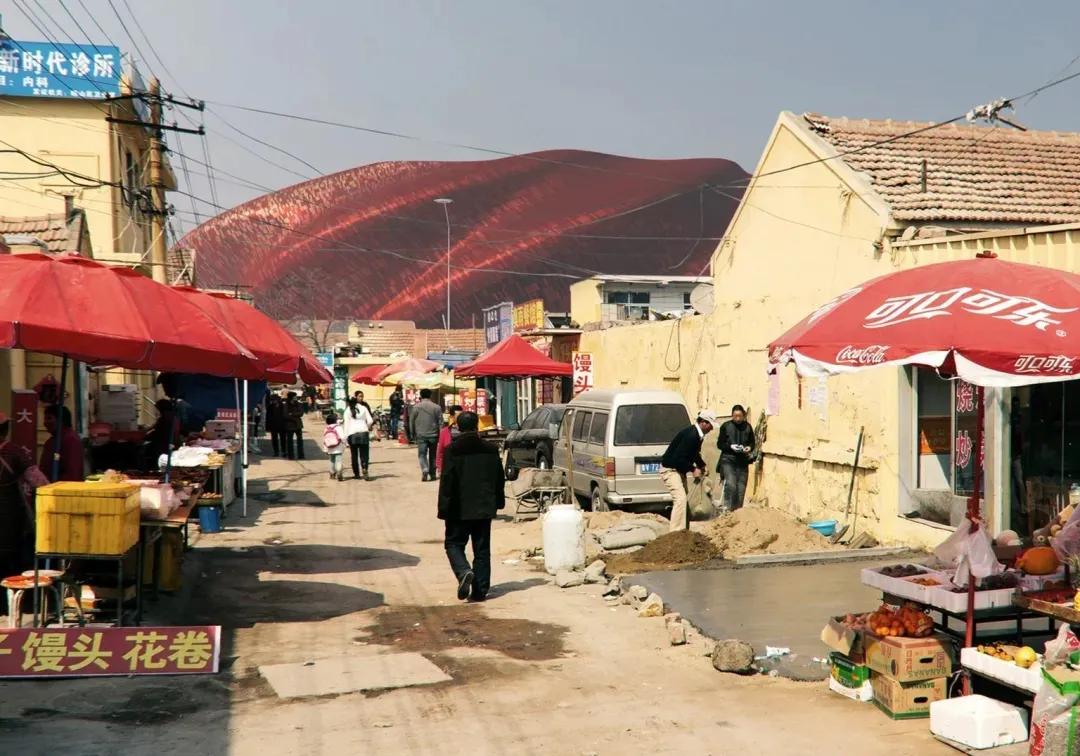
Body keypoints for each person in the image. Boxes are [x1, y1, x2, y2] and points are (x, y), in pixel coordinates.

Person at [437, 411, 505, 602]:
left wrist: (444, 508)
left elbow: (447, 481)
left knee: (453, 544)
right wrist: (498, 501)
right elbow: (499, 478)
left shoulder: (452, 450)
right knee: (482, 549)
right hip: (484, 507)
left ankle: (463, 571)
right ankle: (480, 590)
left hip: (458, 508)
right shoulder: (491, 449)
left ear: (458, 427)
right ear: (477, 426)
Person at [659, 410, 717, 532]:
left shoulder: (698, 435)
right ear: (703, 422)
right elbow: (678, 458)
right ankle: (675, 534)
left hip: (679, 470)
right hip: (670, 470)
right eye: (710, 425)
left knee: (684, 502)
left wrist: (701, 465)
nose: (711, 429)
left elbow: (694, 453)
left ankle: (684, 533)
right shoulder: (691, 435)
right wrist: (692, 469)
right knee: (680, 500)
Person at [716, 404, 756, 512]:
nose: (737, 418)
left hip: (742, 461)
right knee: (731, 484)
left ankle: (738, 513)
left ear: (743, 415)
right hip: (728, 459)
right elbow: (719, 444)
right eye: (735, 416)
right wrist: (730, 447)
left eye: (739, 416)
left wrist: (749, 448)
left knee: (741, 489)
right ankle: (727, 510)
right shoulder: (725, 426)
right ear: (732, 416)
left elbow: (752, 443)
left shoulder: (748, 427)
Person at [40, 405, 84, 482]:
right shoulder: (52, 441)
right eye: (45, 419)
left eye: (49, 418)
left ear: (61, 420)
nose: (45, 423)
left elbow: (73, 473)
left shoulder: (70, 440)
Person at [410, 388, 443, 482]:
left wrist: (412, 433)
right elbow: (441, 422)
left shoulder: (416, 407)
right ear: (430, 395)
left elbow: (411, 421)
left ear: (421, 395)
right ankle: (432, 474)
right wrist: (441, 434)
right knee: (433, 455)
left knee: (422, 454)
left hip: (421, 434)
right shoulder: (437, 407)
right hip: (434, 434)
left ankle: (424, 469)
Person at [343, 396, 375, 480]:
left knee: (354, 455)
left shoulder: (347, 410)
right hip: (363, 433)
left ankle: (356, 474)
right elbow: (370, 420)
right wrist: (367, 427)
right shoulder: (363, 408)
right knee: (364, 454)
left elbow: (346, 425)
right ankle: (364, 468)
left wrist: (345, 438)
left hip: (352, 434)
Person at [145, 399, 180, 464]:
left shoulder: (165, 418)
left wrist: (146, 436)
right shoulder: (173, 416)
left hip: (164, 444)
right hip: (171, 442)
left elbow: (158, 431)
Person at [436, 405, 463, 478]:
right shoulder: (444, 432)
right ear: (452, 417)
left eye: (462, 415)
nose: (460, 418)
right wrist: (440, 467)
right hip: (449, 469)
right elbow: (440, 451)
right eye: (458, 415)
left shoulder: (469, 432)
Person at [321, 412, 345, 481]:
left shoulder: (326, 428)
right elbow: (343, 437)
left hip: (330, 448)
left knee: (332, 461)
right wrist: (345, 443)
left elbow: (325, 439)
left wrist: (325, 449)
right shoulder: (338, 427)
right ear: (335, 420)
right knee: (338, 460)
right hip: (338, 447)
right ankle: (339, 472)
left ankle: (332, 473)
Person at [284, 392, 305, 460]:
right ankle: (291, 456)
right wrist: (295, 416)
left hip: (298, 425)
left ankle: (301, 455)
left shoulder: (298, 404)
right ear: (291, 397)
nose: (296, 398)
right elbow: (285, 415)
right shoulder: (286, 405)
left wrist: (292, 414)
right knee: (289, 441)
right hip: (289, 425)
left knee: (300, 441)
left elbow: (301, 413)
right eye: (295, 396)